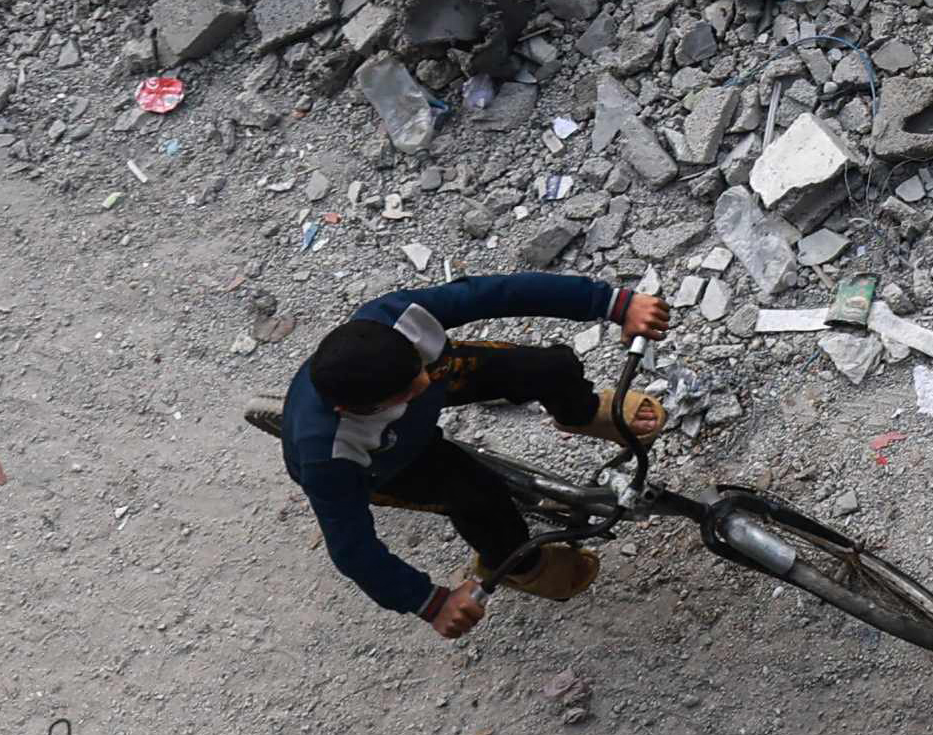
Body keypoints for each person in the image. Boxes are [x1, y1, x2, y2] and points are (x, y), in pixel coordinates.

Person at [287, 268, 676, 636]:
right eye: (407, 389)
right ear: (351, 410)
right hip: (388, 462)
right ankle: (520, 566)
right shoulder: (330, 458)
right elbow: (353, 549)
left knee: (549, 367)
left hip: (436, 382)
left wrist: (614, 303)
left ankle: (583, 412)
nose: (423, 382)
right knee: (477, 495)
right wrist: (429, 602)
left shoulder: (399, 319)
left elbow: (501, 293)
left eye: (416, 368)